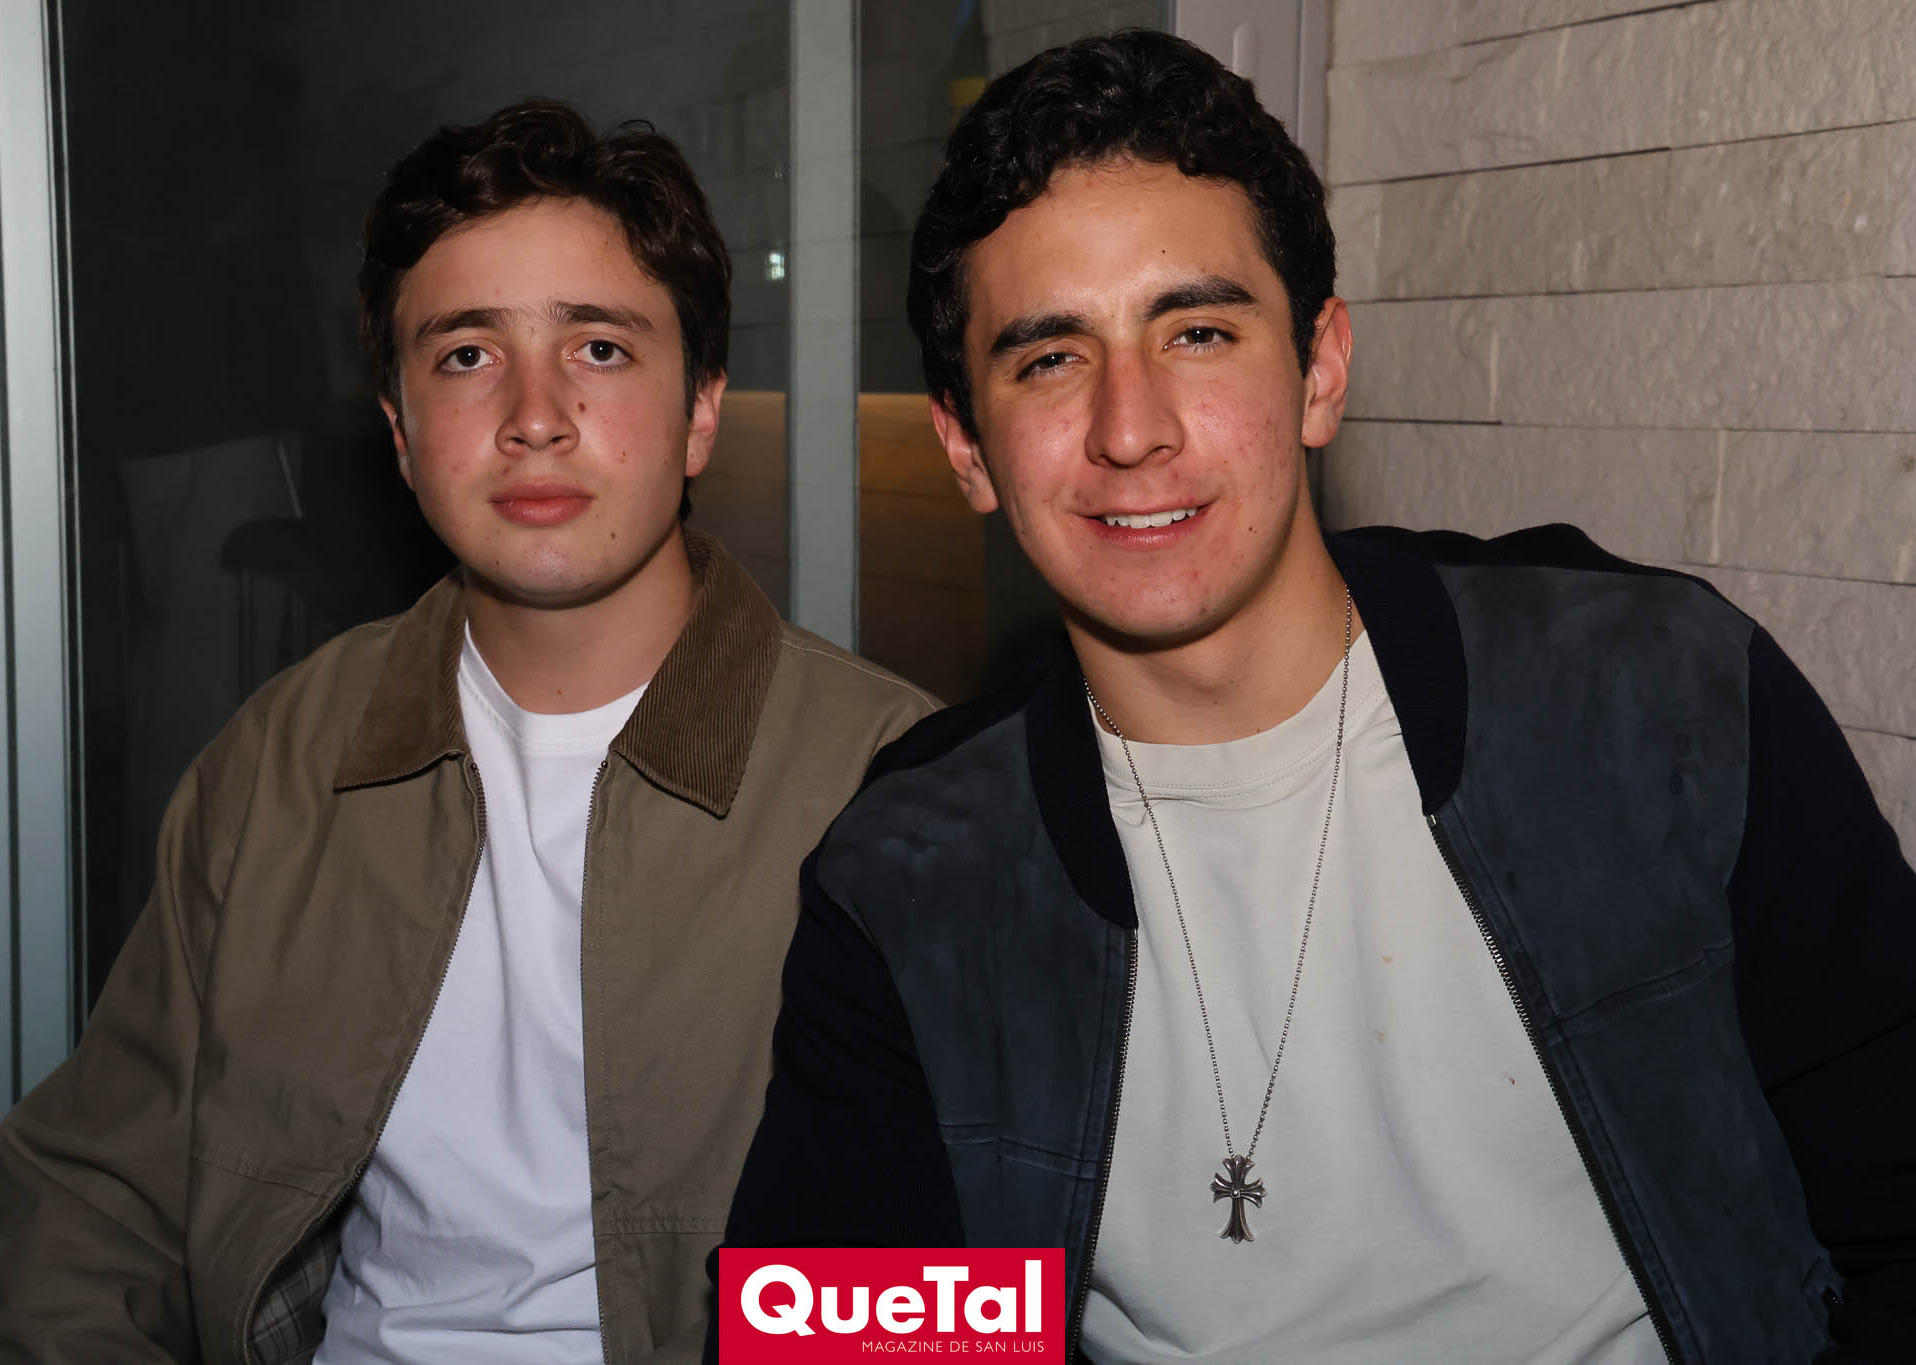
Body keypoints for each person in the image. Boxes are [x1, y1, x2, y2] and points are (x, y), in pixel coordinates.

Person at [717, 30, 1915, 1365]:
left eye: (1198, 331)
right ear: (965, 446)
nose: (1130, 428)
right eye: (1049, 359)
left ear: (1319, 369)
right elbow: (832, 1333)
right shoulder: (917, 872)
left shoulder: (1651, 696)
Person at [0, 99, 932, 1365]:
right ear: (399, 435)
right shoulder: (282, 761)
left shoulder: (896, 789)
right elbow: (95, 1204)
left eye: (599, 348)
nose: (534, 414)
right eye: (464, 356)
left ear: (700, 412)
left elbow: (953, 1290)